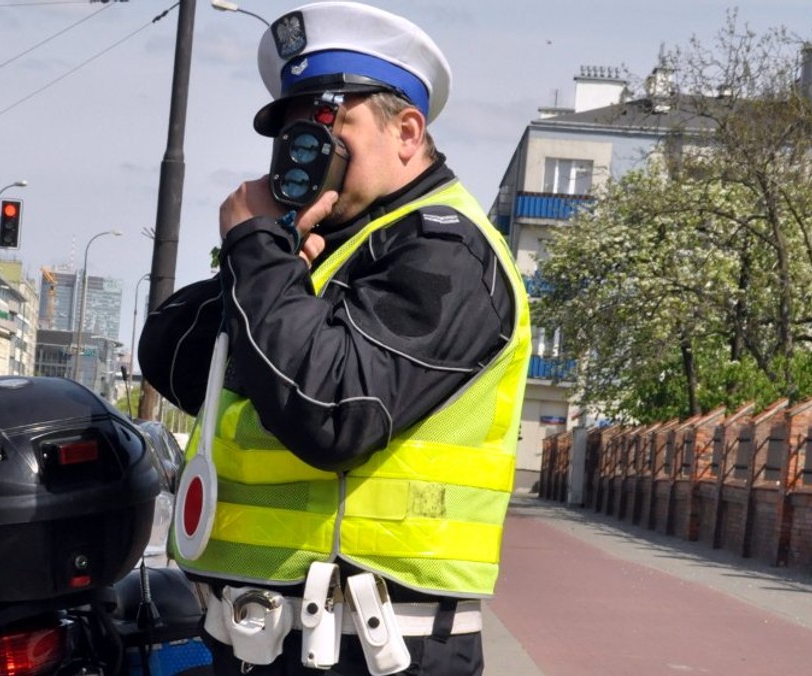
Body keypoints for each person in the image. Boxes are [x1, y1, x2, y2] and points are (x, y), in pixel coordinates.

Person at [138, 2, 531, 675]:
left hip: (373, 651)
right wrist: (266, 248)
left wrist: (261, 257)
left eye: (329, 121)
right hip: (259, 640)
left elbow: (332, 413)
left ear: (408, 131)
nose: (305, 147)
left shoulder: (448, 253)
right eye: (291, 129)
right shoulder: (321, 253)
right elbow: (173, 358)